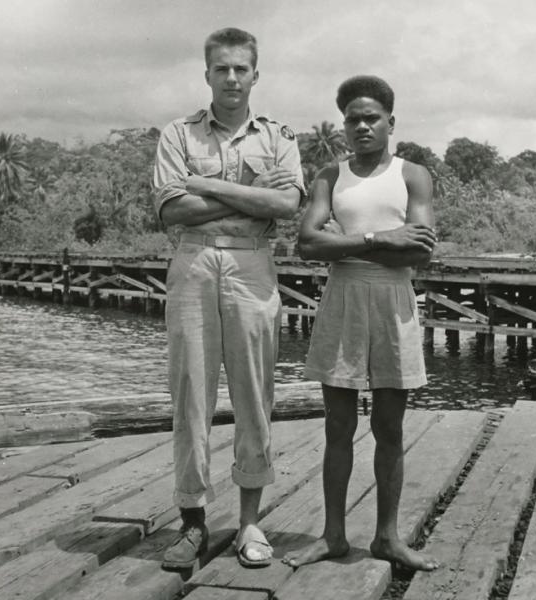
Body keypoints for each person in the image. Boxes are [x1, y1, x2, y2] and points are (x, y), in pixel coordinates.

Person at [153, 27, 304, 569]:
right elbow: (172, 211)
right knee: (190, 393)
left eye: (242, 68)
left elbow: (285, 205)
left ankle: (249, 523)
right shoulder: (178, 134)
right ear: (208, 73)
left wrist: (208, 186)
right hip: (192, 262)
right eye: (222, 69)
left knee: (253, 394)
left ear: (255, 74)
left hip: (253, 265)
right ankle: (192, 522)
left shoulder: (278, 136)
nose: (232, 77)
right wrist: (250, 197)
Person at [283, 75, 439, 571]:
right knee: (338, 426)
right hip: (342, 298)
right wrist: (380, 237)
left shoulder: (413, 175)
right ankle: (332, 536)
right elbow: (306, 244)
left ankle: (388, 538)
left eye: (372, 118)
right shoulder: (330, 176)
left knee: (389, 427)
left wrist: (350, 240)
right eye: (353, 119)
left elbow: (421, 250)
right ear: (344, 127)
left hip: (394, 301)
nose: (362, 126)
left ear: (391, 122)